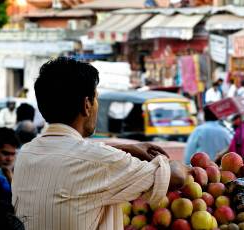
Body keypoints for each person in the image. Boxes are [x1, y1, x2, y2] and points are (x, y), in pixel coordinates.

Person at [12, 57, 188, 230]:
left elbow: (70, 156)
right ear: (87, 104)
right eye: (96, 98)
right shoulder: (99, 162)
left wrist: (126, 148)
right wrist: (169, 162)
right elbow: (176, 178)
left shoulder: (25, 154)